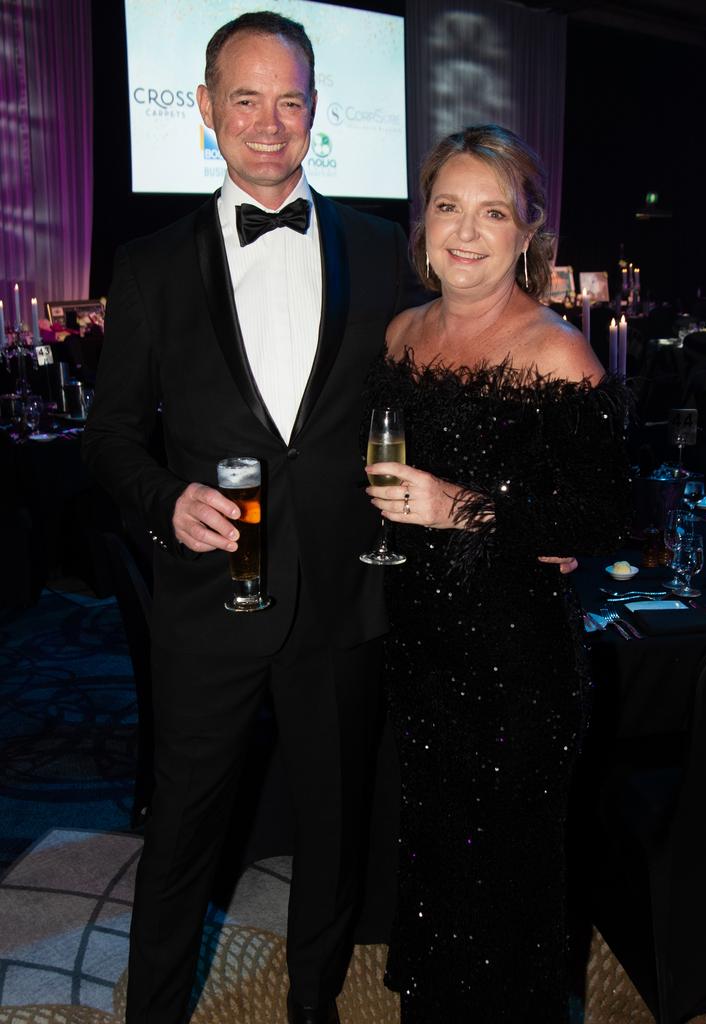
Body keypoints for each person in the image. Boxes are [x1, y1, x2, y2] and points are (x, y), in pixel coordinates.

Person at [82, 12, 417, 1024]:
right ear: (205, 110)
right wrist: (163, 499)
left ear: (315, 109)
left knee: (333, 827)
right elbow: (109, 440)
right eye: (246, 99)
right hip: (210, 595)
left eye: (291, 100)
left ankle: (312, 1005)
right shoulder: (148, 266)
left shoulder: (380, 250)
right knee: (184, 833)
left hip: (339, 595)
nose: (269, 124)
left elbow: (418, 409)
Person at [364, 125, 631, 1022]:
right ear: (424, 225)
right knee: (436, 877)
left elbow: (602, 522)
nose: (467, 232)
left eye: (492, 213)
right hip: (424, 652)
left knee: (505, 898)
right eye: (449, 208)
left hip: (517, 673)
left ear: (528, 234)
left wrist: (460, 507)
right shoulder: (403, 334)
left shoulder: (559, 354)